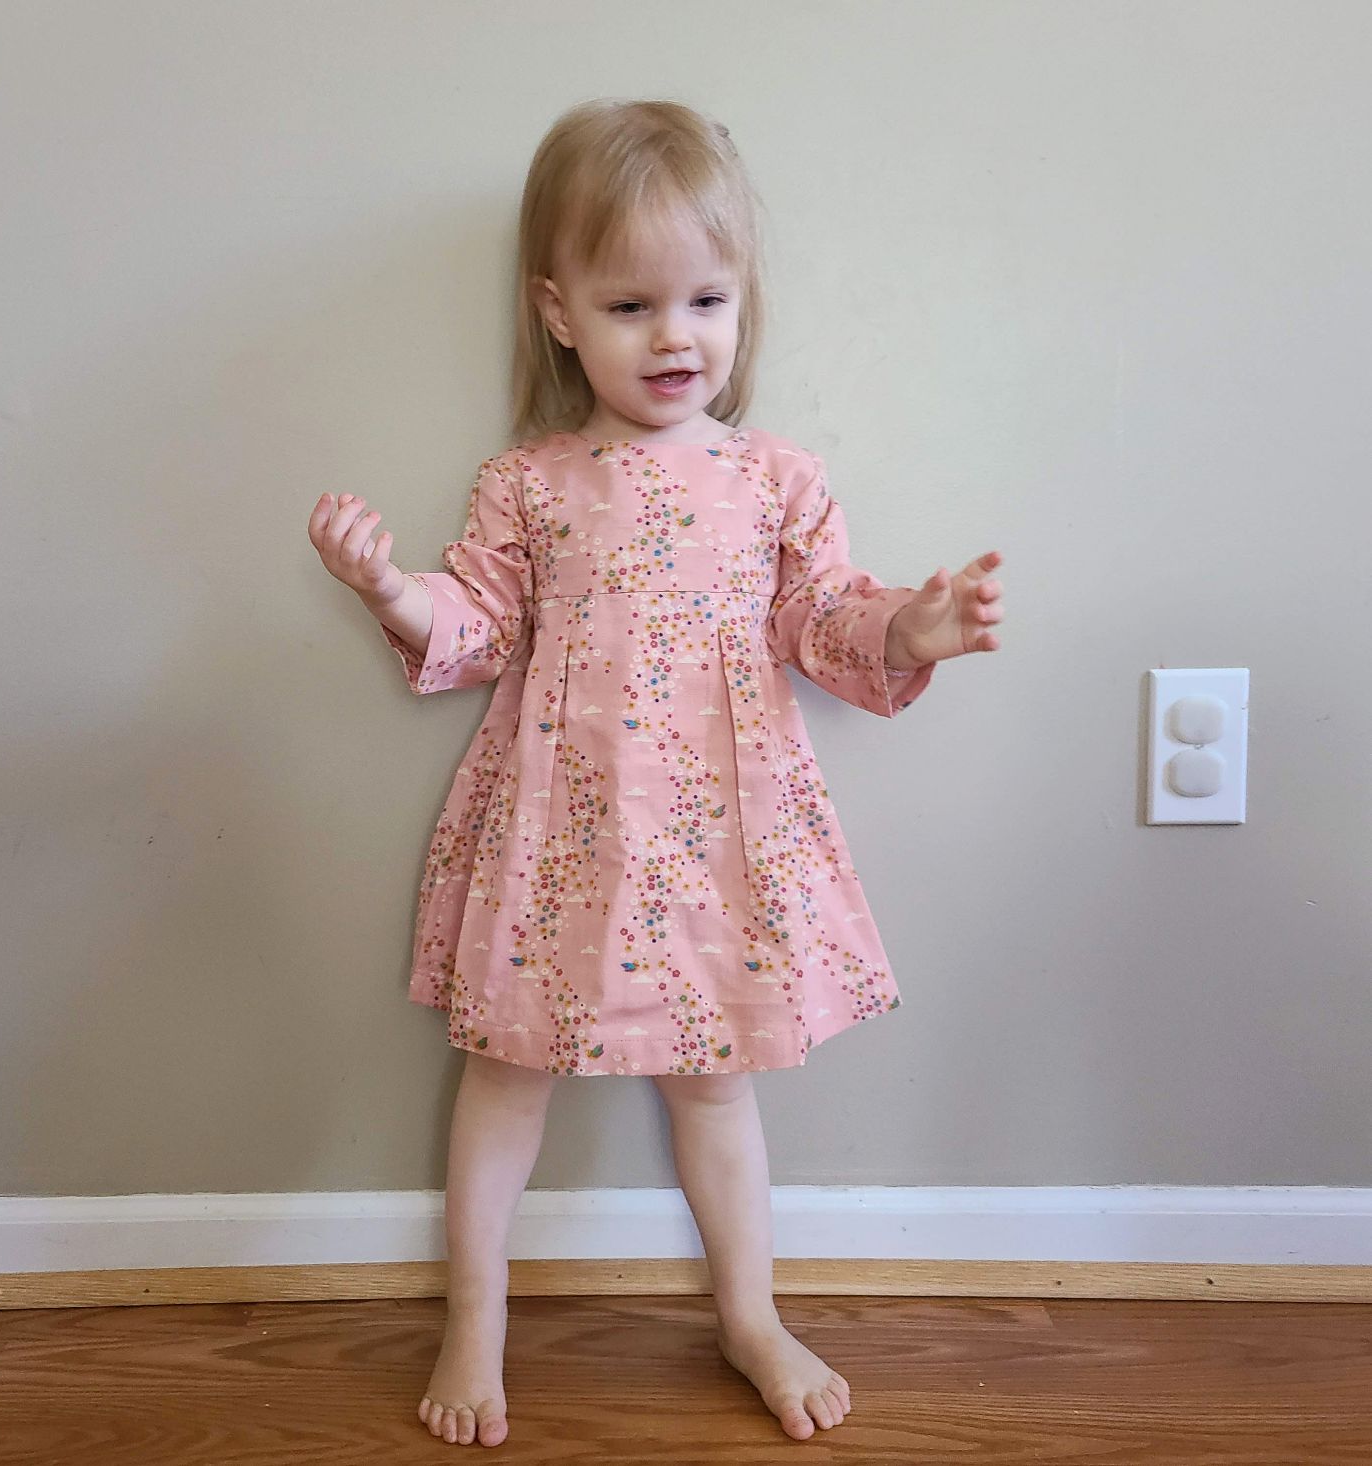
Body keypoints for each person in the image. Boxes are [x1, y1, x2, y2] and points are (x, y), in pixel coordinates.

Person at [307, 98, 1004, 1449]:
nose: (673, 335)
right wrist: (393, 588)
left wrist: (912, 628)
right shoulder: (527, 483)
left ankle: (748, 1313)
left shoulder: (776, 482)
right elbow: (478, 627)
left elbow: (823, 621)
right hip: (556, 829)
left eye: (703, 299)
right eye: (630, 304)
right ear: (558, 312)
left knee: (714, 1085)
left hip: (714, 837)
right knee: (503, 1073)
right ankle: (476, 1313)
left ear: (741, 303)